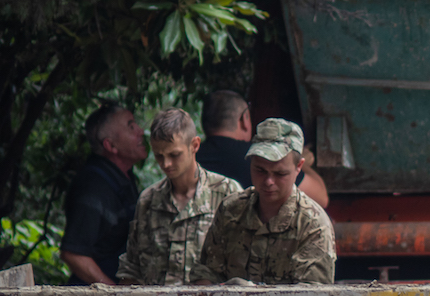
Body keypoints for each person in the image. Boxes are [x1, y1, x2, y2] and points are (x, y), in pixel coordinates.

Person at [190, 119, 336, 285]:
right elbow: (207, 272)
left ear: (299, 167)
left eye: (280, 174)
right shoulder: (231, 210)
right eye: (260, 170)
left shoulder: (313, 225)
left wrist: (250, 294)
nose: (268, 181)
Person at [115, 109, 243, 285]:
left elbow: (243, 263)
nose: (166, 164)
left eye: (174, 155)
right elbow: (132, 268)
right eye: (159, 156)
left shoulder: (227, 193)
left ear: (195, 145)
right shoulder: (149, 200)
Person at [196, 90, 330, 208]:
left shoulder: (191, 159)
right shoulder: (258, 157)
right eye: (260, 170)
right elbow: (320, 198)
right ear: (244, 119)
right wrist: (300, 163)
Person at [60, 102, 147, 285]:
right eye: (131, 126)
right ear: (110, 145)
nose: (141, 131)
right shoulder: (93, 189)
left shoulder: (124, 176)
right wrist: (112, 295)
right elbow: (73, 254)